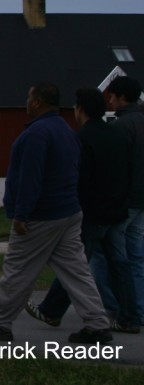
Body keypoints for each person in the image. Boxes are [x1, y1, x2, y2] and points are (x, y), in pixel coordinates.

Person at [0, 83, 111, 343]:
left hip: (41, 215)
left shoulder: (36, 134)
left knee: (18, 269)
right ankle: (97, 323)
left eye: (29, 97)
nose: (26, 102)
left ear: (37, 102)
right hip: (68, 211)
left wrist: (22, 214)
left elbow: (30, 178)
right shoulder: (67, 131)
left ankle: (0, 323)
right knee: (76, 271)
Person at [26, 88, 137, 332]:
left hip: (93, 213)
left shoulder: (82, 138)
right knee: (120, 264)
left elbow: (80, 179)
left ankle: (51, 311)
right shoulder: (116, 134)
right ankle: (130, 318)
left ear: (81, 110)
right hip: (117, 211)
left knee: (74, 266)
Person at [97, 75, 144, 332]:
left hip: (125, 201)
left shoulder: (120, 127)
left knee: (109, 256)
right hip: (142, 200)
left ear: (122, 97)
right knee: (137, 256)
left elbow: (116, 168)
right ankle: (138, 307)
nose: (111, 102)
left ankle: (115, 307)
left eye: (113, 97)